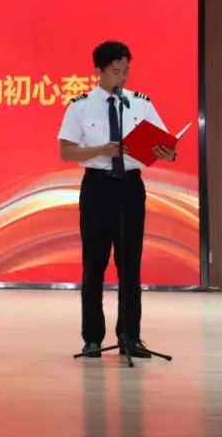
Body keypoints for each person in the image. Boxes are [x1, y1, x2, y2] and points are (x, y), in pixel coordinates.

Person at [58, 41, 176, 358]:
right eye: (115, 71)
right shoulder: (81, 105)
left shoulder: (140, 104)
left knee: (130, 264)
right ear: (98, 70)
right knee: (94, 264)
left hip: (130, 188)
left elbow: (164, 144)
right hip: (97, 188)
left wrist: (167, 152)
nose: (122, 77)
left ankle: (130, 336)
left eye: (126, 70)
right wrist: (101, 150)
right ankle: (92, 338)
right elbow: (66, 151)